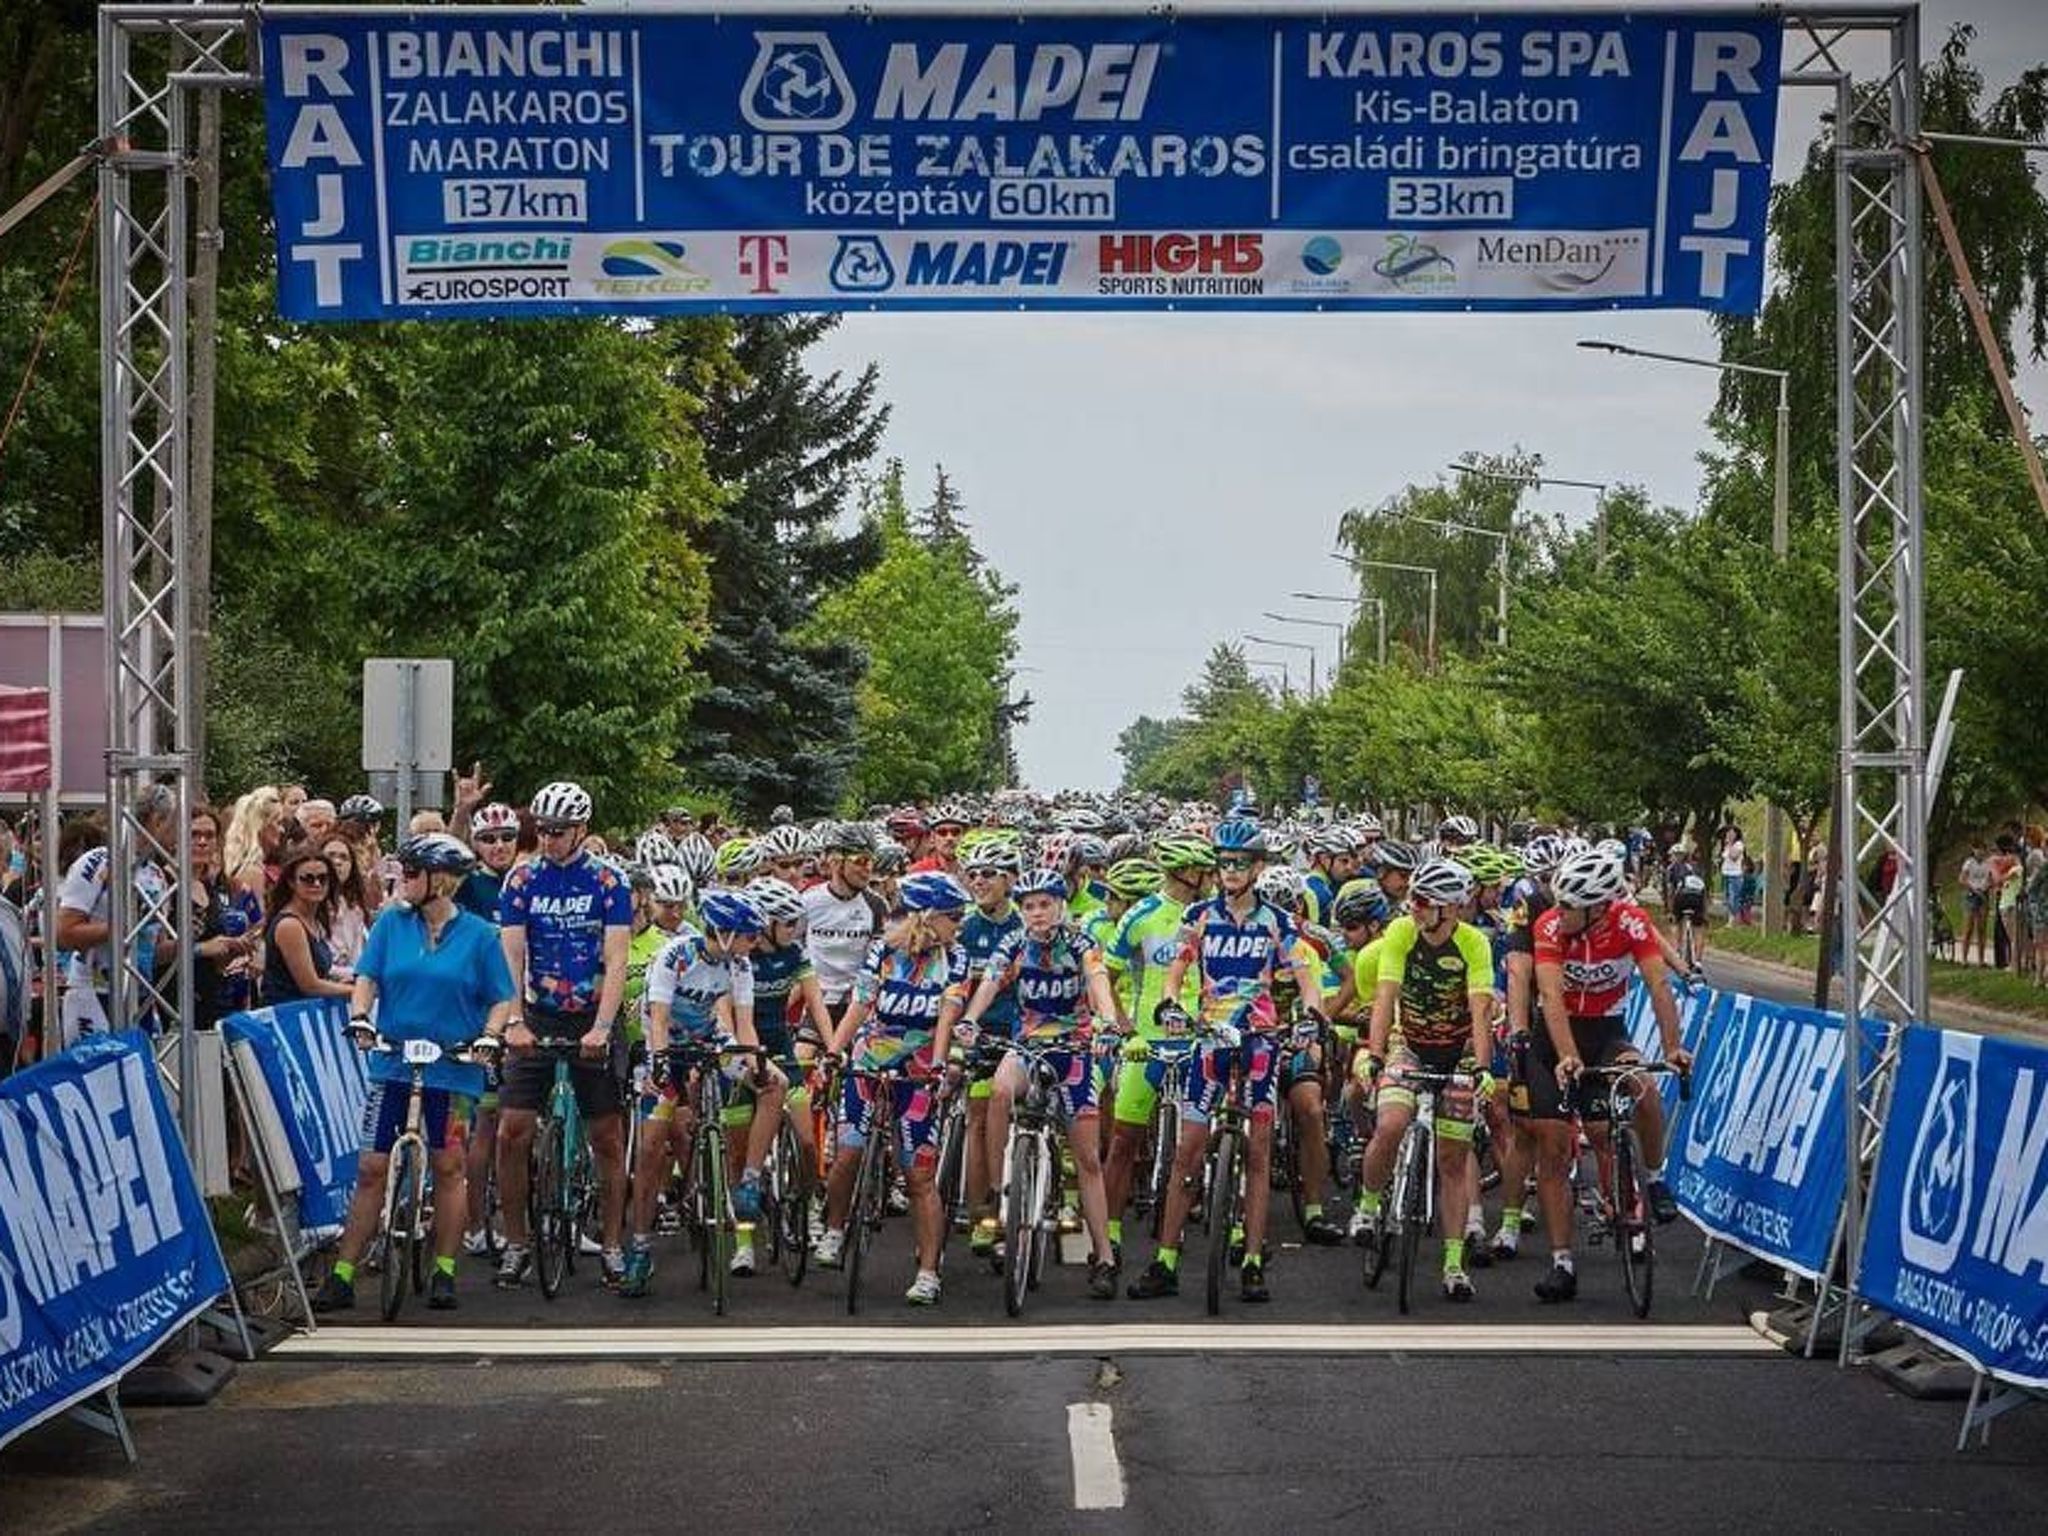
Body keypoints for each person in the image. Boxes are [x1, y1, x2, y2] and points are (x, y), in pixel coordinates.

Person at [311, 834, 517, 1313]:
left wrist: (490, 1035)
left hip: (453, 1065)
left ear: (439, 881)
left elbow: (500, 996)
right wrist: (361, 1016)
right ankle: (344, 1273)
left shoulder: (480, 935)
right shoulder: (390, 924)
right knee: (371, 1168)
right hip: (395, 1059)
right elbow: (368, 977)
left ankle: (445, 1269)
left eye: (411, 872)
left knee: (449, 1165)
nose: (402, 880)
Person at [1126, 817, 1326, 1305]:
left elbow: (1305, 979)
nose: (1230, 870)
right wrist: (1171, 1004)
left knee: (1258, 1154)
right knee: (1186, 1152)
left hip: (1260, 1041)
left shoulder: (1276, 921)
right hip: (1210, 1039)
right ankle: (1166, 1260)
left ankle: (1254, 1261)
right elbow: (1176, 970)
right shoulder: (1198, 916)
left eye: (1240, 863)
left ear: (1258, 868)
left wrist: (1311, 1016)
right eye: (1223, 862)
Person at [1524, 844, 1690, 1303]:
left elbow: (1658, 984)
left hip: (1608, 1032)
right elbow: (1552, 998)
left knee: (1645, 1090)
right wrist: (1566, 1056)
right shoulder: (1550, 926)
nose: (1558, 911)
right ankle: (1561, 1262)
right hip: (1553, 1039)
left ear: (1598, 907)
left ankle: (1654, 1179)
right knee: (1555, 1146)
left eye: (1569, 906)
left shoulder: (1630, 922)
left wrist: (1673, 1047)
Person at [493, 782, 634, 1290]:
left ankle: (613, 1243)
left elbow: (617, 958)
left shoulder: (608, 879)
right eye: (544, 831)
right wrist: (513, 1020)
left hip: (594, 1013)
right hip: (539, 1012)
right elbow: (510, 953)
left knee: (607, 1136)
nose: (549, 840)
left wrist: (602, 1025)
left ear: (582, 830)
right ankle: (515, 1241)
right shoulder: (522, 878)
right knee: (511, 1130)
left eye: (559, 832)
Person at [962, 869, 1122, 1299]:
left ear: (1061, 905)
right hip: (1029, 1044)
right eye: (1029, 905)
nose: (1036, 913)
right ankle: (1000, 1195)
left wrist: (1107, 1020)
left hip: (1074, 1050)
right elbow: (991, 980)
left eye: (1044, 904)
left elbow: (1097, 980)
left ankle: (1103, 1255)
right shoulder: (1013, 943)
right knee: (998, 1091)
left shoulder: (1081, 943)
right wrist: (969, 1020)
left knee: (1087, 1158)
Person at [814, 872, 972, 1305]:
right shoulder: (883, 951)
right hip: (872, 1053)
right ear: (927, 916)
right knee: (846, 1151)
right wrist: (833, 1053)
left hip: (920, 1062)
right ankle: (833, 1227)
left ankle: (928, 1271)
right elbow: (861, 1005)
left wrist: (939, 1066)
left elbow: (947, 1016)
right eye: (953, 916)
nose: (959, 923)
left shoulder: (956, 959)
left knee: (918, 1174)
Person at [1354, 859, 1497, 1301]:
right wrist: (1375, 1054)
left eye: (1422, 902)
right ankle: (1368, 1205)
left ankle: (1454, 1264)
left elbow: (1481, 1011)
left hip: (1458, 1053)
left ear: (1450, 909)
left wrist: (1483, 1066)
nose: (1412, 908)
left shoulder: (1474, 944)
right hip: (1408, 1044)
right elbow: (1384, 997)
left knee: (1454, 1160)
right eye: (1412, 899)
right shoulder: (1401, 932)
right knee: (1392, 1124)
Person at [53, 786, 179, 1046]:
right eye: (176, 824)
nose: (181, 833)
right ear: (157, 821)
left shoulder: (157, 875)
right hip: (94, 991)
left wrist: (192, 945)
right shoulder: (97, 862)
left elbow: (153, 951)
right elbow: (64, 934)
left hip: (141, 995)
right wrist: (121, 927)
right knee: (100, 1080)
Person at [263, 842, 355, 1005]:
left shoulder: (315, 919)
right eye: (308, 879)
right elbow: (310, 986)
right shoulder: (290, 925)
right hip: (288, 1016)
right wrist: (360, 991)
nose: (317, 884)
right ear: (291, 882)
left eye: (323, 878)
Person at [322, 835, 372, 975]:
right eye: (330, 856)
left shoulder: (354, 908)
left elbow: (358, 956)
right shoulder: (307, 905)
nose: (337, 862)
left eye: (344, 858)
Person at [1958, 841, 1991, 966]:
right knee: (1968, 927)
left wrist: (1986, 886)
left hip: (1983, 894)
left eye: (1982, 849)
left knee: (1982, 928)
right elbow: (1962, 879)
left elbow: (1990, 878)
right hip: (1971, 895)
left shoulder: (1987, 864)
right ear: (1973, 850)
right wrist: (1972, 888)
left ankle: (1981, 959)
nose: (1980, 852)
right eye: (1978, 849)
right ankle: (1964, 958)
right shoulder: (1969, 863)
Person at [1719, 825, 1748, 927]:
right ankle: (1732, 919)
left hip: (1735, 875)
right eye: (1728, 833)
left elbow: (1734, 857)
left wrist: (1730, 844)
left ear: (1736, 834)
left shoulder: (1739, 845)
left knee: (1733, 898)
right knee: (1727, 898)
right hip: (1726, 873)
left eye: (1732, 833)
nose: (1729, 835)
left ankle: (1734, 920)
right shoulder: (1726, 846)